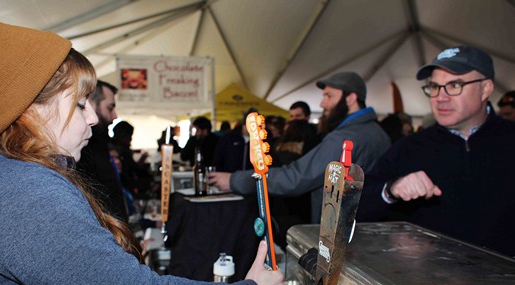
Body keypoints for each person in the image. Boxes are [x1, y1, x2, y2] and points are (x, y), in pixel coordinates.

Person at [0, 10, 284, 285]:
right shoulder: (19, 192)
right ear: (32, 109)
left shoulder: (7, 181)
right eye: (79, 103)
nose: (91, 118)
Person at [357, 45, 515, 257]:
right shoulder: (409, 147)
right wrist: (390, 190)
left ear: (485, 89)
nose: (440, 97)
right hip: (428, 282)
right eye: (434, 87)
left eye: (454, 85)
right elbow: (355, 208)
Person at [209, 72, 391, 224]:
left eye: (329, 96)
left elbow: (297, 176)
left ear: (350, 98)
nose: (322, 104)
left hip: (339, 233)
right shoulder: (378, 133)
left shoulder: (344, 138)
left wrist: (236, 180)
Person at [76, 80, 129, 222]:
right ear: (91, 103)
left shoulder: (100, 144)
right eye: (110, 108)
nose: (115, 116)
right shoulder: (81, 150)